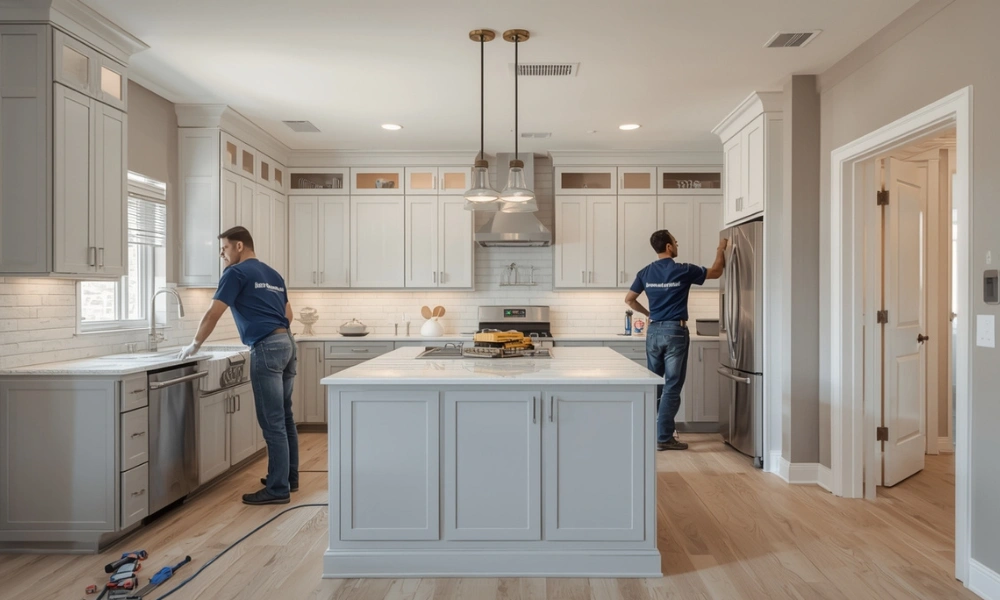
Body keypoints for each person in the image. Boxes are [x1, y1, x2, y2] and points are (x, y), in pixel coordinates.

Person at [178, 226, 299, 505]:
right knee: (285, 416)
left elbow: (213, 313)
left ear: (240, 246)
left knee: (272, 422)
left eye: (224, 248)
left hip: (266, 347)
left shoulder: (235, 273)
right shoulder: (273, 274)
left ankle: (278, 488)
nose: (222, 254)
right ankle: (288, 477)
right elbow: (288, 314)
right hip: (287, 345)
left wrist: (194, 345)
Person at [625, 229, 727, 451]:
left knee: (656, 384)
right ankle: (663, 438)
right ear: (669, 247)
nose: (677, 244)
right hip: (675, 332)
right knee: (671, 385)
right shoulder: (683, 270)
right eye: (675, 241)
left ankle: (651, 432)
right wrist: (721, 249)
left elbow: (629, 299)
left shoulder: (645, 272)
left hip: (653, 333)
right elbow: (717, 272)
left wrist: (648, 314)